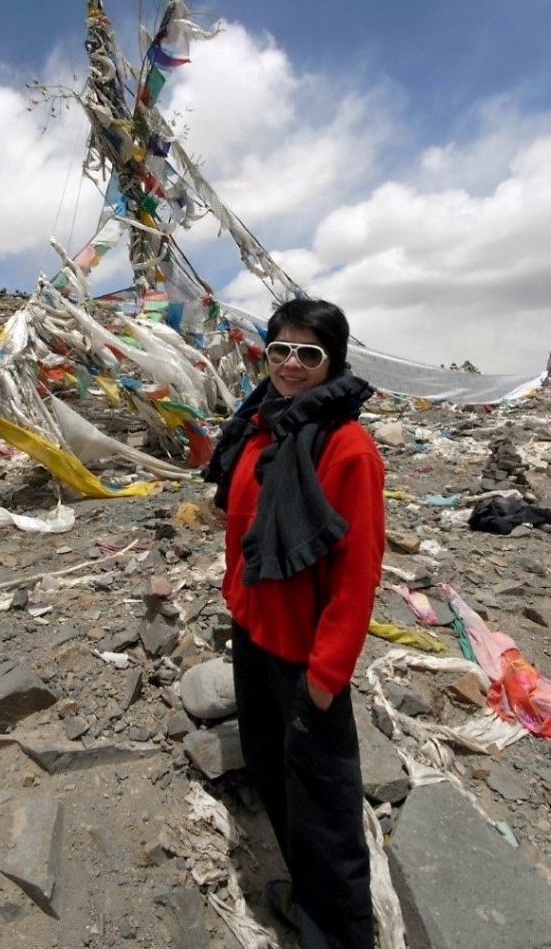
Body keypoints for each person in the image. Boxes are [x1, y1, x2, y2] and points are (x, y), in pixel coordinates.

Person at [205, 298, 385, 949]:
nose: (290, 364)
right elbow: (239, 531)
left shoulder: (347, 447)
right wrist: (235, 599)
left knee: (326, 815)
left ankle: (335, 934)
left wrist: (325, 677)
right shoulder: (259, 427)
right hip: (254, 642)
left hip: (308, 662)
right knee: (270, 773)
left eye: (308, 354)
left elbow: (357, 572)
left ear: (331, 362)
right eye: (280, 349)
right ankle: (304, 901)